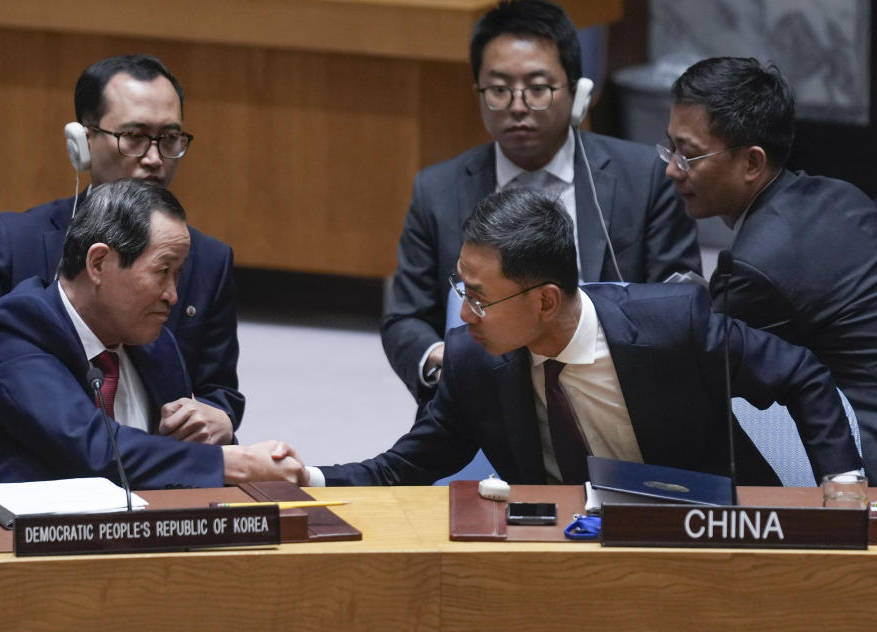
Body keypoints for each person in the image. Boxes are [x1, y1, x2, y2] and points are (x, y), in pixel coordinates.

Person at [309, 189, 861, 487]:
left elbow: (800, 373)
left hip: (705, 538)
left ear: (545, 300)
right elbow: (400, 469)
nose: (465, 314)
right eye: (462, 288)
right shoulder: (472, 362)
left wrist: (843, 483)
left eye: (479, 297)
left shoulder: (673, 324)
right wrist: (301, 476)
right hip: (564, 560)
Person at [381, 0, 702, 405]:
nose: (518, 107)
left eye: (538, 89)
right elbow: (405, 317)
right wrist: (438, 358)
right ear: (478, 91)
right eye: (498, 90)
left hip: (614, 392)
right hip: (484, 398)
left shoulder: (645, 179)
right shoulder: (437, 189)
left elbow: (681, 305)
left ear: (576, 89)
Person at [0, 54, 244, 435]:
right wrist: (45, 324)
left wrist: (218, 414)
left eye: (169, 139)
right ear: (83, 140)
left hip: (156, 467)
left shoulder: (208, 260)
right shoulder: (18, 238)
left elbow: (219, 389)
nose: (154, 158)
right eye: (134, 137)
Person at [0, 180, 305, 497]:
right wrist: (231, 464)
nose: (174, 294)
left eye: (179, 275)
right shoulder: (13, 329)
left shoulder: (157, 345)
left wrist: (216, 434)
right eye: (163, 272)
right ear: (99, 263)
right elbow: (94, 450)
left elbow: (173, 468)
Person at [663, 57, 877, 482]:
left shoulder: (754, 265)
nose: (672, 169)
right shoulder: (841, 193)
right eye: (670, 148)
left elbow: (713, 369)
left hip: (857, 452)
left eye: (688, 156)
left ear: (751, 163)